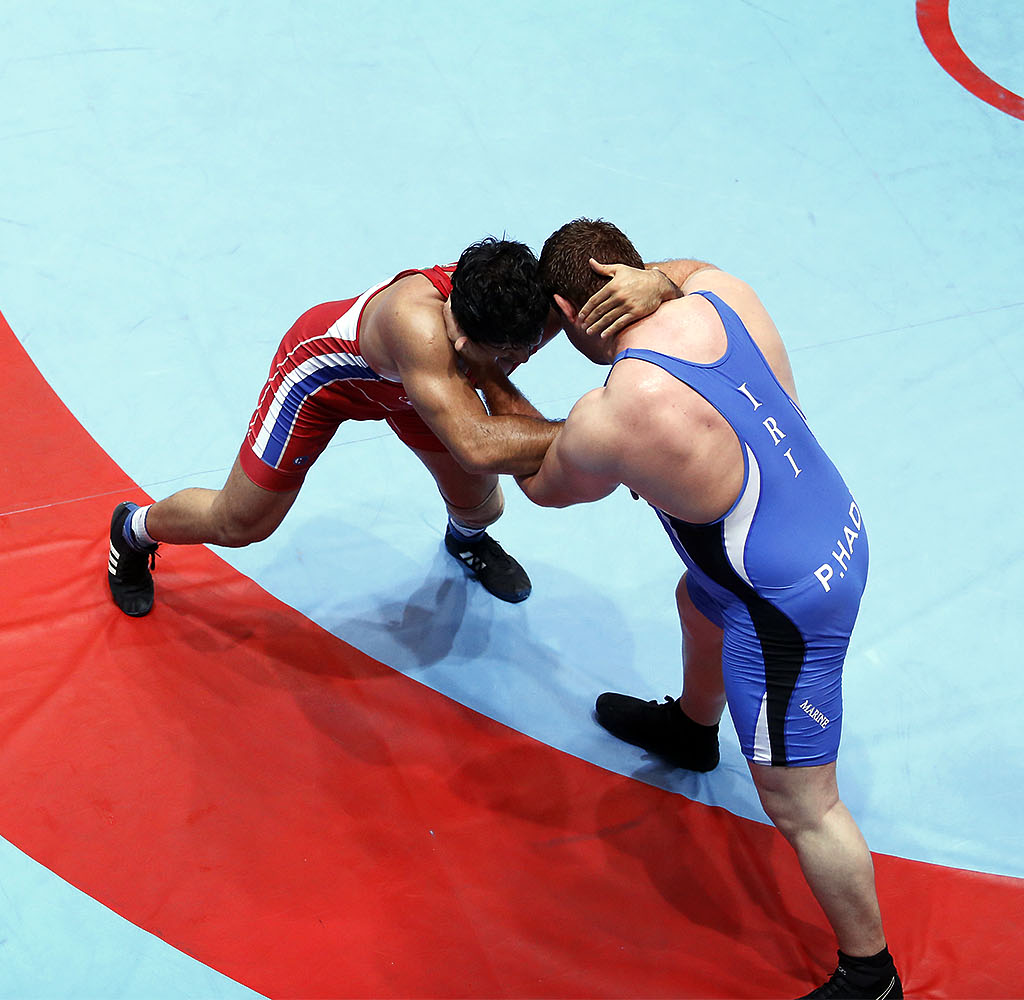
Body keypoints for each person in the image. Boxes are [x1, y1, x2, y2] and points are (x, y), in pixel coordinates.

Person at [503, 218, 898, 999]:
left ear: (567, 312)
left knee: (803, 804)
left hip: (787, 608)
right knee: (699, 599)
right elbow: (692, 267)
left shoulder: (612, 415)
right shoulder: (721, 292)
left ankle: (871, 974)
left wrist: (491, 382)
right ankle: (691, 729)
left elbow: (542, 488)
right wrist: (660, 279)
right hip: (833, 525)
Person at [106, 237, 561, 617]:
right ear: (464, 338)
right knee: (241, 523)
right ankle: (132, 530)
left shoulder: (527, 300)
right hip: (322, 383)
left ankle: (466, 542)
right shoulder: (416, 325)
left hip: (419, 391)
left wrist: (623, 290)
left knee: (482, 508)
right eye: (505, 356)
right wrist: (590, 436)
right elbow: (478, 448)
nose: (521, 361)